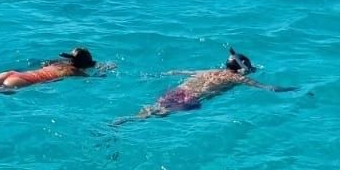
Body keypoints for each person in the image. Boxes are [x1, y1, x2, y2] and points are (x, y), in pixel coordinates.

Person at [115, 48, 293, 123]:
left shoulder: (210, 71)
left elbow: (178, 72)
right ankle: (128, 121)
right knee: (159, 114)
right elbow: (268, 88)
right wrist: (293, 89)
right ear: (242, 68)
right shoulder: (237, 78)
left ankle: (124, 119)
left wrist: (162, 74)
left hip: (178, 90)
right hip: (190, 98)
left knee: (154, 108)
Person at [0, 46, 103, 93]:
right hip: (22, 81)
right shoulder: (74, 72)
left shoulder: (58, 63)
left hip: (13, 74)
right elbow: (92, 77)